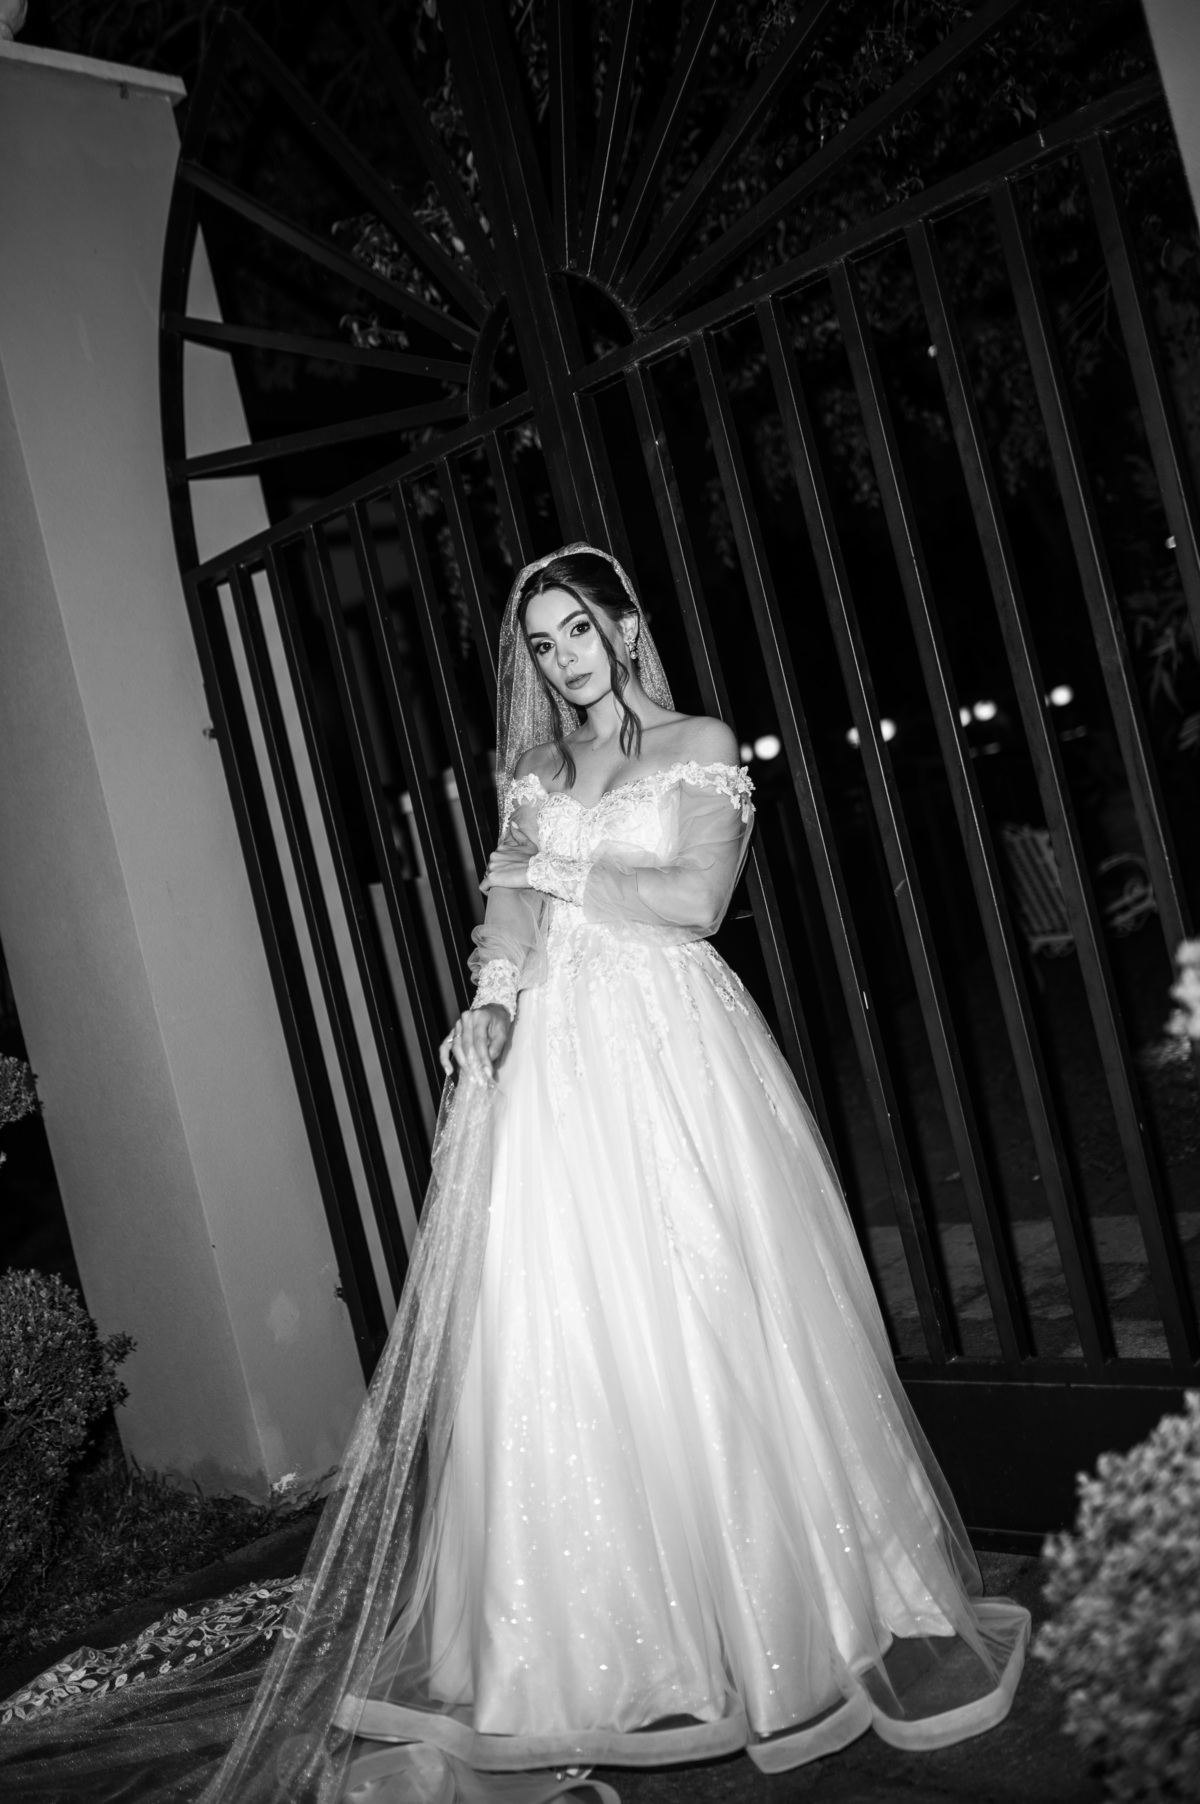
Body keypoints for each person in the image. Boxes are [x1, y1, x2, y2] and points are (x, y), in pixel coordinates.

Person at [0, 545, 1028, 1804]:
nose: (562, 657)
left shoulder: (700, 742)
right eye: (542, 641)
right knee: (559, 1320)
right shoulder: (535, 771)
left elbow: (696, 900)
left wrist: (560, 868)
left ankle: (779, 1600)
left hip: (673, 1050)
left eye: (578, 629)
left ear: (626, 626)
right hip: (554, 1066)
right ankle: (587, 1641)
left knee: (707, 1298)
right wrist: (489, 1000)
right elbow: (508, 910)